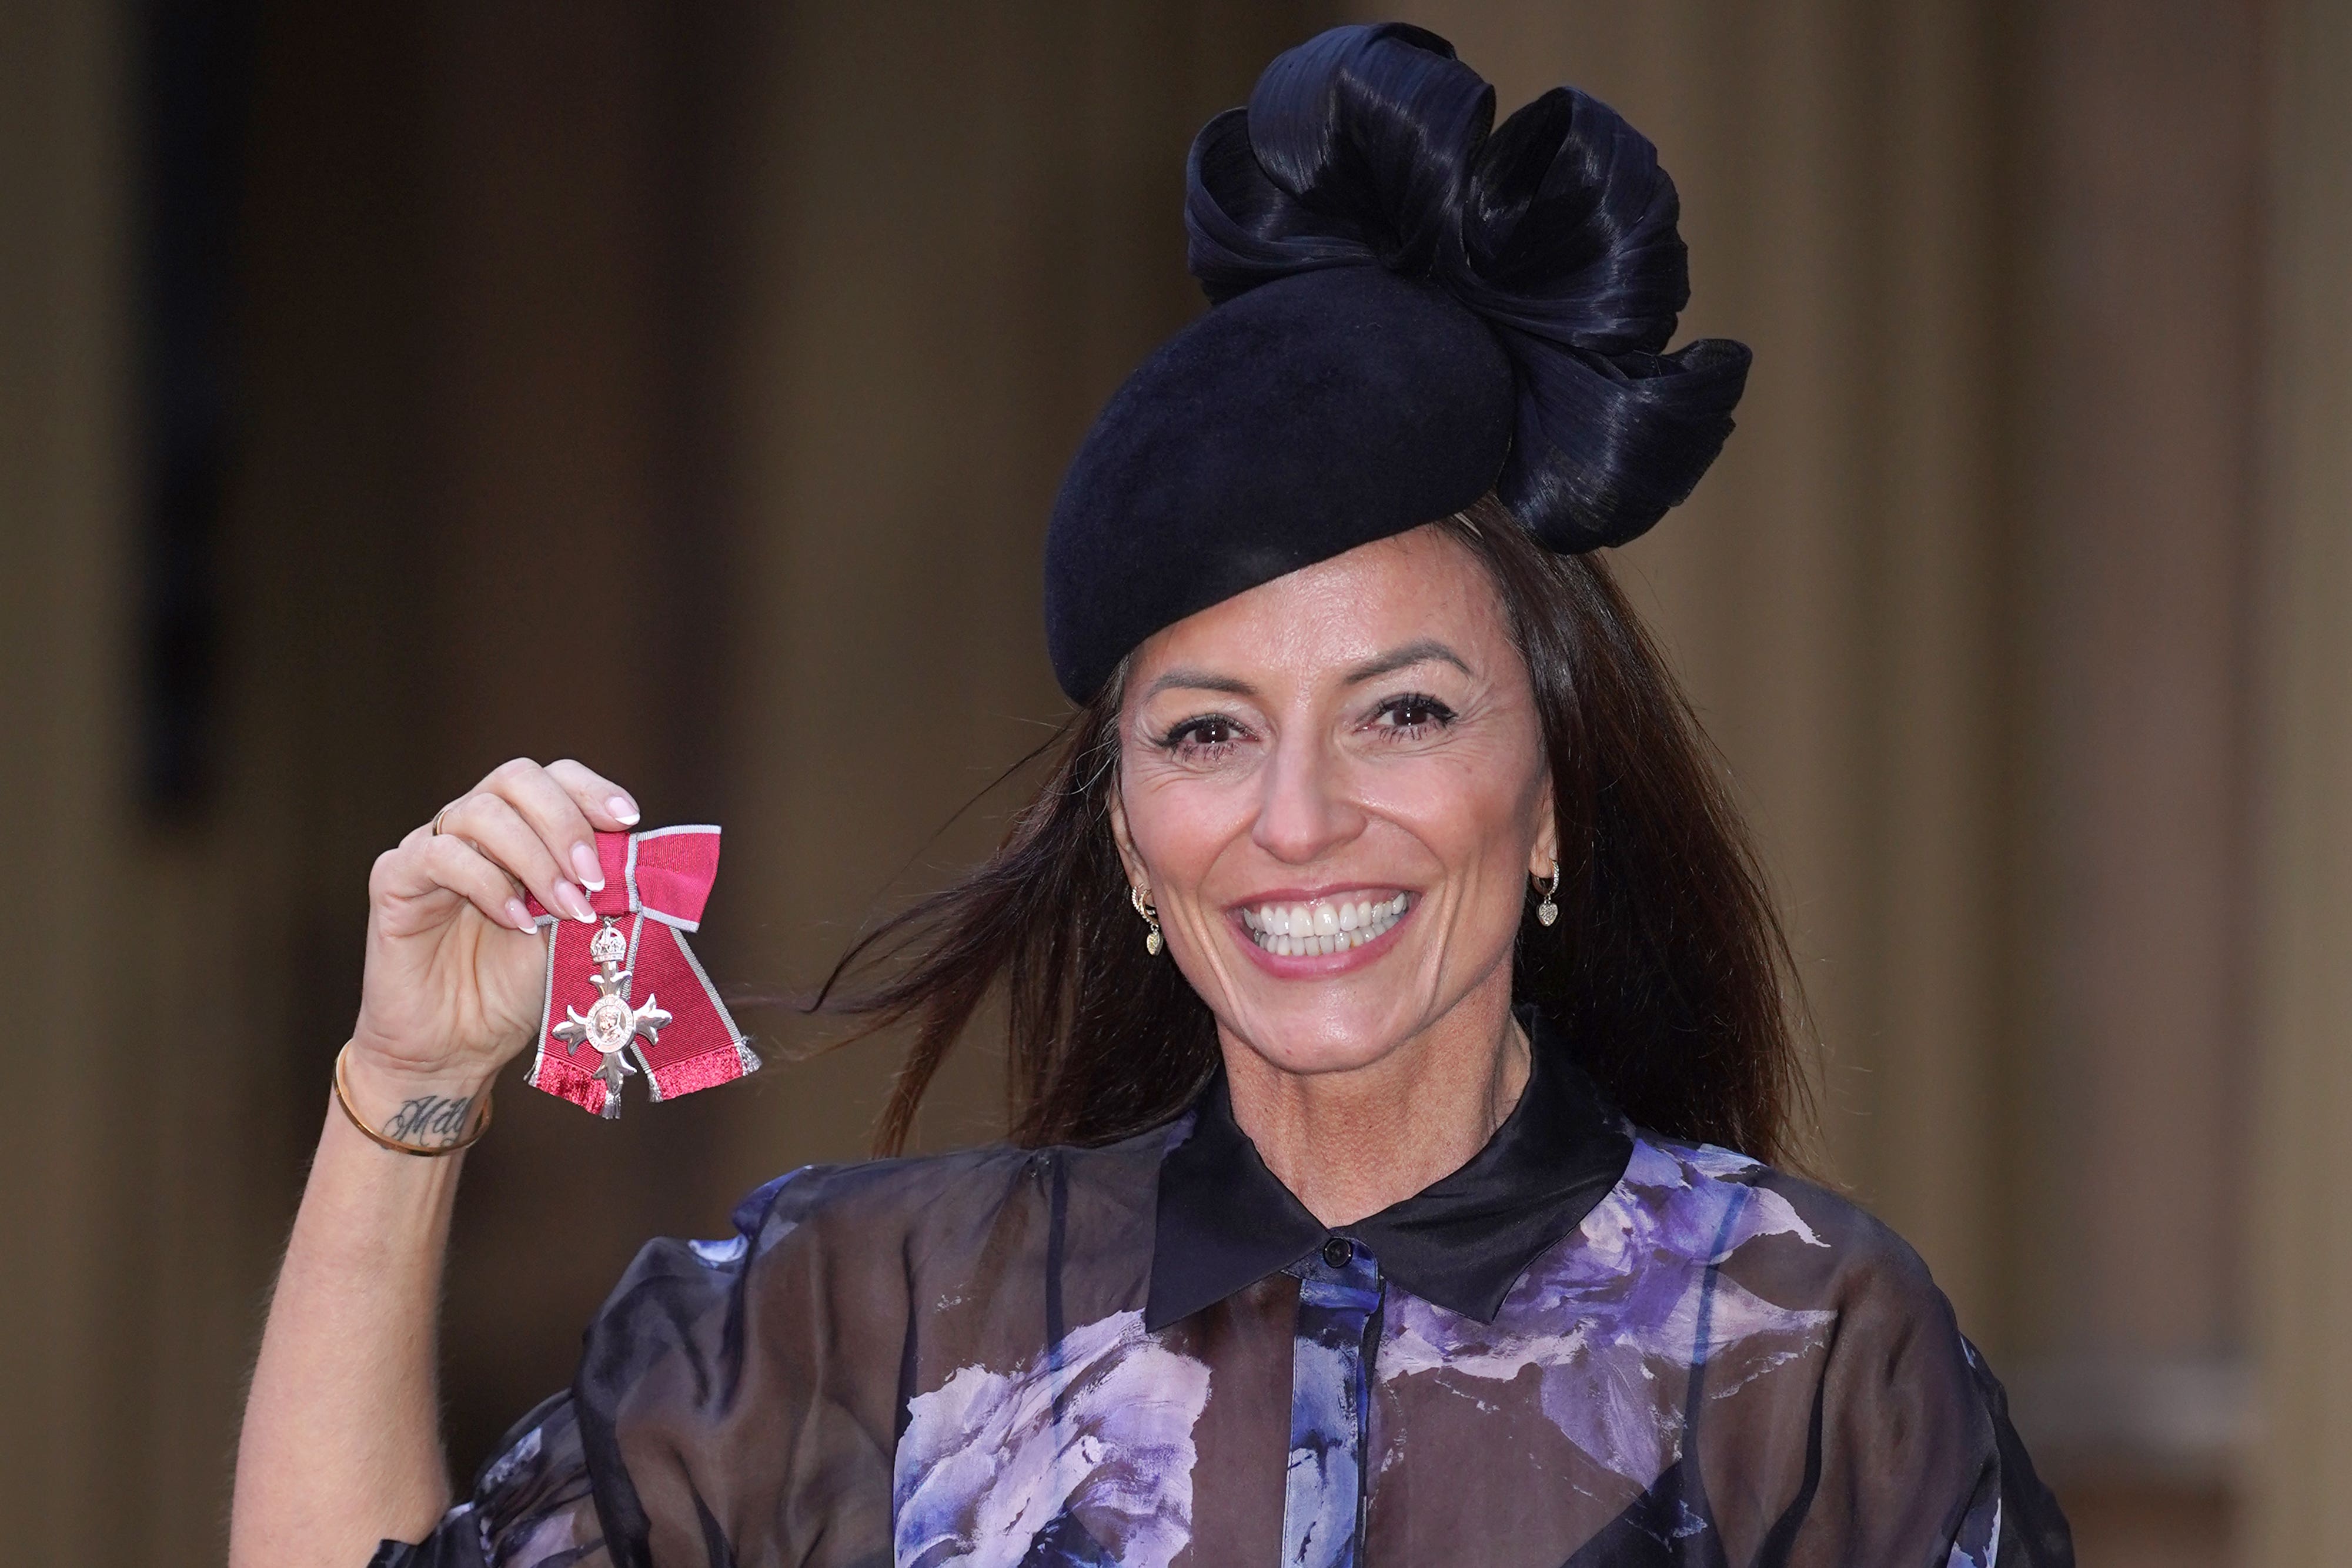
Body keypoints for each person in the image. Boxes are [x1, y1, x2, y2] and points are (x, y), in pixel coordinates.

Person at [230, 23, 2073, 1568]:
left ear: (1554, 797)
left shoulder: (1804, 1349)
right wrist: (405, 1089)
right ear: (1126, 831)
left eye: (1404, 712)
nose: (1298, 817)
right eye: (1206, 732)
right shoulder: (849, 1323)